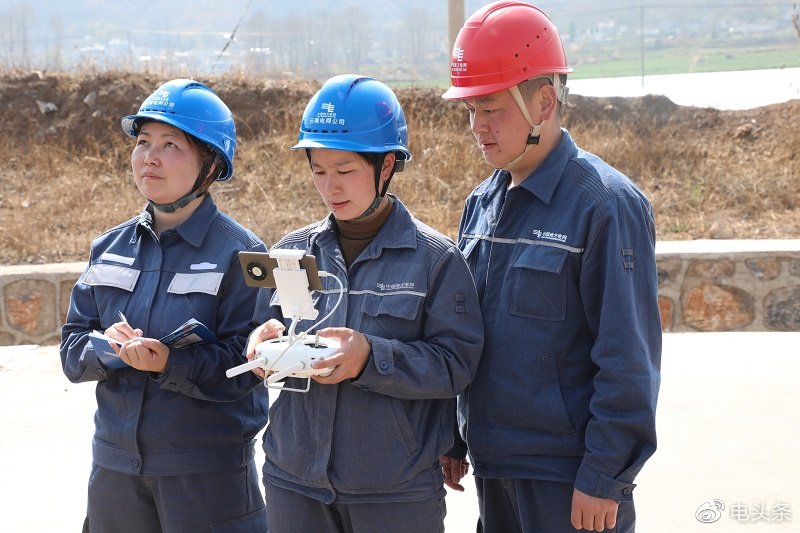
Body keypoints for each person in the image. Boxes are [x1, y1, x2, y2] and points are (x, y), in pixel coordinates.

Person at [439, 2, 662, 532]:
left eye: (491, 109)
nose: (478, 127)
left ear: (543, 102)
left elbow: (628, 356)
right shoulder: (481, 204)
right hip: (495, 470)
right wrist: (453, 434)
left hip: (570, 481)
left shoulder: (605, 205)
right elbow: (465, 332)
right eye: (471, 110)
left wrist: (606, 476)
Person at [245, 74, 484, 533]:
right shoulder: (293, 251)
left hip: (395, 493)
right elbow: (266, 326)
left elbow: (458, 364)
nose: (330, 187)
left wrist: (372, 358)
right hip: (293, 483)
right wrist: (261, 345)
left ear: (387, 165)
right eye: (318, 171)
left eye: (346, 170)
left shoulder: (435, 260)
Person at [60, 79, 269, 532]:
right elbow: (72, 349)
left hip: (206, 478)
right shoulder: (109, 248)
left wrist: (170, 362)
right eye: (142, 142)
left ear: (210, 164)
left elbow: (250, 366)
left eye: (170, 144)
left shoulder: (247, 254)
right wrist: (107, 349)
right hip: (115, 474)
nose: (149, 157)